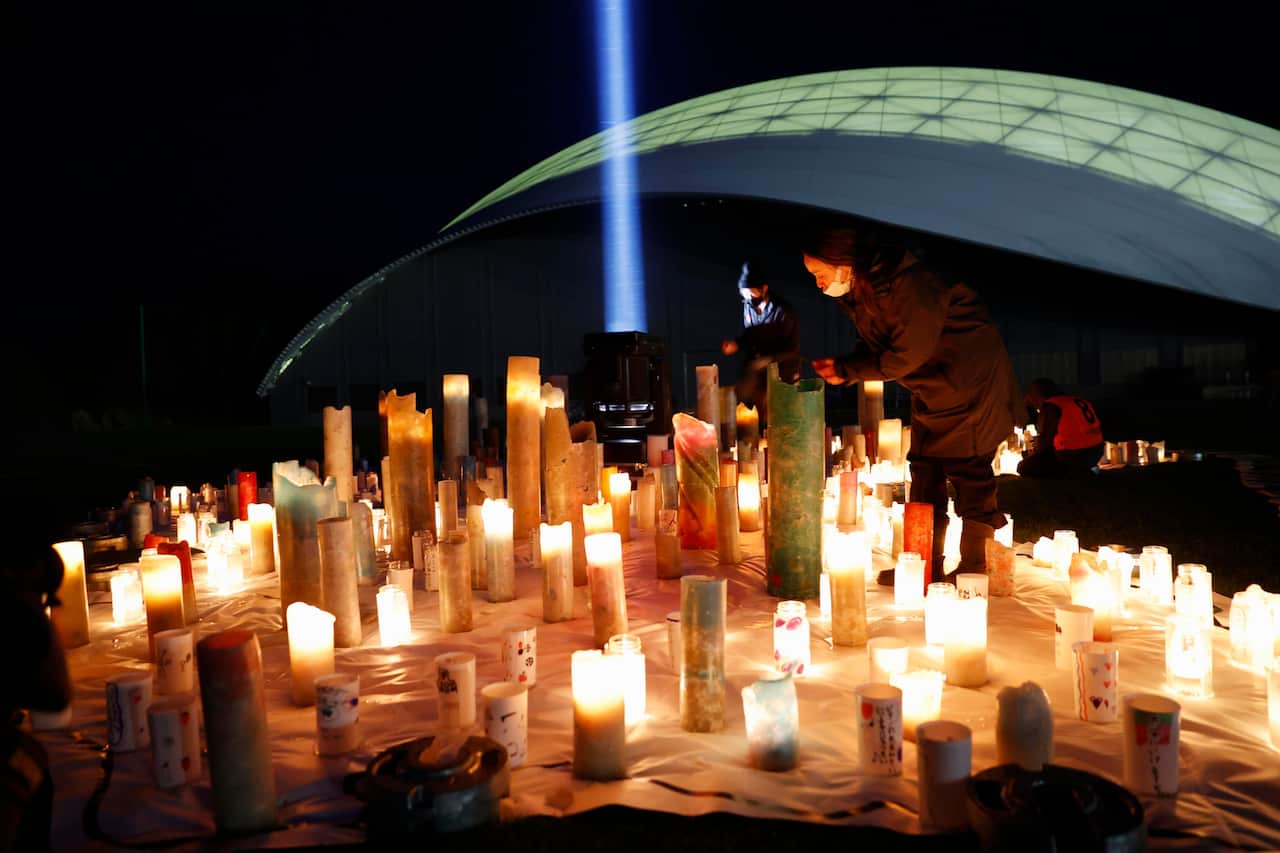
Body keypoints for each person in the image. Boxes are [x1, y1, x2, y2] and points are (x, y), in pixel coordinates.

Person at [805, 224, 1021, 582]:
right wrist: (846, 365)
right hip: (932, 385)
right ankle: (921, 564)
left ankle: (975, 567)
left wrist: (847, 369)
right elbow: (881, 345)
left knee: (968, 468)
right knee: (924, 467)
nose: (818, 283)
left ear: (843, 261)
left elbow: (905, 353)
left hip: (966, 380)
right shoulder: (867, 292)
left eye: (819, 273)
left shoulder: (909, 286)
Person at [720, 259, 802, 424]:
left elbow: (792, 349)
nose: (747, 299)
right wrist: (737, 344)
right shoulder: (748, 307)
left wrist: (768, 359)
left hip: (783, 371)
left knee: (780, 417)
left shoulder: (783, 312)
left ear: (763, 289)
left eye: (750, 293)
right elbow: (750, 334)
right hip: (757, 371)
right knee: (748, 410)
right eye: (743, 295)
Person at [1018, 378, 1104, 477]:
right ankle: (1082, 469)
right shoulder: (1076, 400)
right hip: (1096, 452)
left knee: (1023, 466)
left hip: (1072, 455)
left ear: (1036, 395)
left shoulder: (1051, 406)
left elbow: (1044, 442)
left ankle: (1069, 472)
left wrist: (1032, 453)